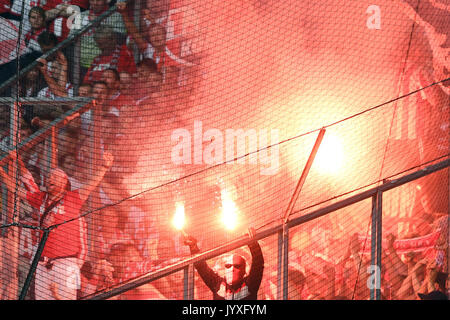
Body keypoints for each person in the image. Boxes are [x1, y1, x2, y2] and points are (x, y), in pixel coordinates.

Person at [0, 150, 114, 300]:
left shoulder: (73, 198)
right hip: (42, 264)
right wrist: (1, 171)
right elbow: (15, 189)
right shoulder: (41, 198)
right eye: (48, 177)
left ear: (65, 181)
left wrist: (104, 167)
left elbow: (91, 184)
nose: (50, 179)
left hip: (68, 264)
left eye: (55, 176)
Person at [183, 227, 264, 300]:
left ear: (244, 271)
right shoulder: (217, 284)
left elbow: (258, 263)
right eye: (228, 266)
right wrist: (193, 247)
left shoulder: (250, 284)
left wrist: (252, 241)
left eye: (237, 266)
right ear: (225, 269)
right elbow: (202, 267)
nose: (232, 269)